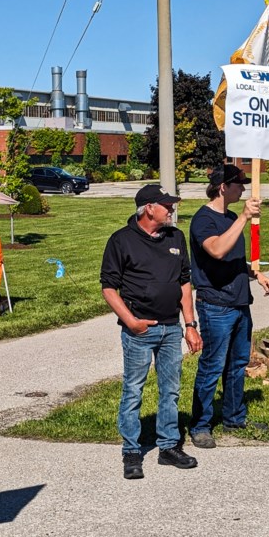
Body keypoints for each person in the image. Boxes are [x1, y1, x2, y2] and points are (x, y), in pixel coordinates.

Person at [100, 183, 203, 479]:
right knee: (133, 390)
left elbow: (185, 281)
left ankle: (169, 447)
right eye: (166, 205)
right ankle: (131, 451)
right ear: (149, 209)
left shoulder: (175, 237)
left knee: (170, 390)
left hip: (171, 328)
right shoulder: (121, 241)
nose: (171, 209)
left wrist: (190, 325)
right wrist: (131, 322)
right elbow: (109, 287)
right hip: (139, 331)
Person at [187, 165, 269, 450]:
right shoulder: (203, 220)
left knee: (237, 365)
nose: (244, 190)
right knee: (212, 366)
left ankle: (234, 418)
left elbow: (233, 258)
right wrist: (246, 218)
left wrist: (254, 273)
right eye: (239, 185)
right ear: (223, 187)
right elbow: (216, 250)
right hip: (215, 305)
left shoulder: (231, 217)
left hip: (239, 302)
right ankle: (200, 425)